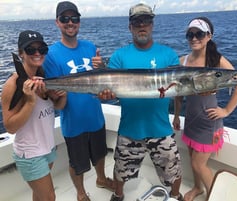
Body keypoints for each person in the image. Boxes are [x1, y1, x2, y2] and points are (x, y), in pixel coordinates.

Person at [103, 3, 183, 201]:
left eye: (146, 21)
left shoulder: (169, 55)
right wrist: (104, 94)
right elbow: (107, 89)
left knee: (174, 171)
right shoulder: (119, 56)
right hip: (130, 129)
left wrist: (180, 113)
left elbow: (179, 88)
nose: (142, 26)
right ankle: (118, 195)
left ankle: (175, 196)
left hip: (161, 128)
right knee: (120, 172)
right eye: (137, 22)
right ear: (130, 27)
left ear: (152, 25)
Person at [42, 1, 114, 201]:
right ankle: (81, 193)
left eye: (74, 18)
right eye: (65, 19)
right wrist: (55, 95)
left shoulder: (91, 47)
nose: (70, 22)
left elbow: (102, 82)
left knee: (100, 155)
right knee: (77, 164)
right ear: (57, 22)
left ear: (79, 22)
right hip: (73, 124)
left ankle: (101, 179)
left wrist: (103, 67)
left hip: (96, 118)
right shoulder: (51, 55)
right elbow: (58, 99)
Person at [172, 17, 237, 201]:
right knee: (191, 157)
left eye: (199, 34)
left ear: (209, 36)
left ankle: (215, 197)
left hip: (209, 122)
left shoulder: (216, 60)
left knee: (198, 164)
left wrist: (226, 111)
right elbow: (178, 92)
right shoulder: (183, 61)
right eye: (190, 34)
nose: (194, 38)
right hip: (191, 119)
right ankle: (198, 188)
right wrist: (177, 115)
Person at [1, 30, 66, 201]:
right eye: (30, 50)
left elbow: (59, 106)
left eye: (41, 49)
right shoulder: (12, 85)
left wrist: (61, 96)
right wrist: (30, 102)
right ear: (21, 53)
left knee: (39, 195)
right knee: (49, 197)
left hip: (48, 147)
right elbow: (10, 127)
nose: (37, 54)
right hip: (30, 153)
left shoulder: (44, 76)